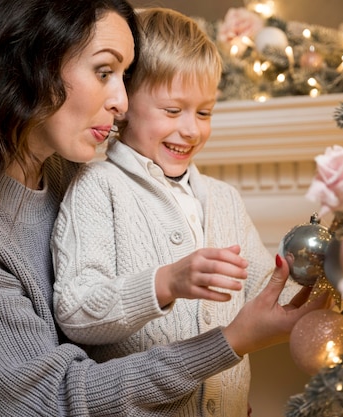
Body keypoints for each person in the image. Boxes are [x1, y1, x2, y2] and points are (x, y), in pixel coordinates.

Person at [0, 0, 326, 416]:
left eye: (126, 77)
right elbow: (49, 403)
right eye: (104, 72)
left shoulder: (69, 173)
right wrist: (227, 344)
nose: (123, 104)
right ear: (32, 62)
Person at [51, 7, 310, 416]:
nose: (191, 130)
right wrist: (166, 282)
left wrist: (329, 272)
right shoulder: (98, 187)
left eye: (204, 112)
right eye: (173, 111)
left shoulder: (224, 199)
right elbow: (76, 308)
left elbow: (265, 288)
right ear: (124, 103)